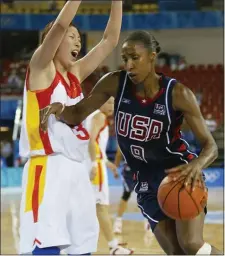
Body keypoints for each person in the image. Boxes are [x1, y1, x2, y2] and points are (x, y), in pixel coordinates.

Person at [40, 30, 222, 255]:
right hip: (145, 181)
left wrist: (196, 165)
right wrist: (61, 109)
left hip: (179, 174)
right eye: (125, 58)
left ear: (152, 56)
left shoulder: (177, 94)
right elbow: (78, 113)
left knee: (191, 244)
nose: (129, 65)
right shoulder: (114, 82)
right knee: (176, 252)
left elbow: (210, 146)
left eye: (135, 58)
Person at [19, 0, 123, 255]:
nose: (78, 42)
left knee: (83, 243)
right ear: (52, 40)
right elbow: (61, 24)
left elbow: (110, 40)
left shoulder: (74, 75)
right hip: (48, 165)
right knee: (45, 241)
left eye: (79, 38)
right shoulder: (41, 67)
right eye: (72, 37)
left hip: (77, 168)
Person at [85, 97, 133, 254]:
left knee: (95, 207)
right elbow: (90, 141)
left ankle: (111, 244)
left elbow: (96, 145)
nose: (111, 106)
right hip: (95, 166)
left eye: (113, 103)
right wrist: (94, 164)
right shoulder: (99, 116)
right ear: (100, 102)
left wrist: (109, 164)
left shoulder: (95, 116)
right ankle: (113, 247)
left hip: (97, 162)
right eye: (108, 102)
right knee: (101, 207)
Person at [113, 147, 135, 234]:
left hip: (141, 168)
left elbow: (119, 153)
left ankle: (149, 222)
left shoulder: (124, 134)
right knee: (127, 194)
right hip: (131, 170)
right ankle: (118, 221)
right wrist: (115, 168)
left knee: (127, 194)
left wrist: (115, 169)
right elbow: (119, 153)